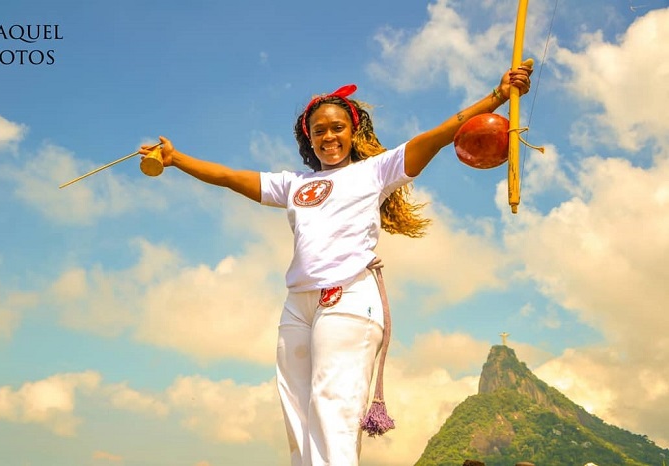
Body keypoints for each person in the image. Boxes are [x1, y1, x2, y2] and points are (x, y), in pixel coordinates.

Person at [140, 64, 533, 466]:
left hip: (348, 296)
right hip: (298, 304)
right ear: (309, 138)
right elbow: (227, 176)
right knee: (296, 408)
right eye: (320, 130)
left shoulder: (375, 171)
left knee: (333, 406)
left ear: (353, 132)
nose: (329, 136)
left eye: (337, 127)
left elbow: (437, 135)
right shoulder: (293, 184)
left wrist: (497, 97)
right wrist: (175, 159)